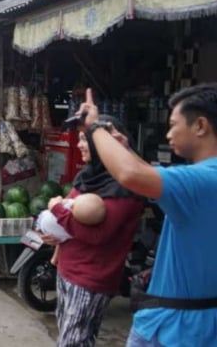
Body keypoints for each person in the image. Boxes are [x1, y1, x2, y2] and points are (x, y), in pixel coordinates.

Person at [75, 86, 217, 347]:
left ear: (200, 126)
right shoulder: (202, 179)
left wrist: (95, 128)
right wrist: (125, 149)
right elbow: (147, 174)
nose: (168, 133)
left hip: (175, 330)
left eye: (174, 125)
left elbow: (131, 174)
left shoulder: (203, 180)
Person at [39, 115, 143, 347]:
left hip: (91, 277)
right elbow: (68, 214)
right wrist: (53, 237)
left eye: (86, 139)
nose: (79, 145)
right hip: (68, 269)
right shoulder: (88, 176)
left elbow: (98, 235)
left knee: (74, 342)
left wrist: (56, 209)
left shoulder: (125, 188)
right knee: (70, 338)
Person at [37, 191, 106, 265]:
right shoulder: (84, 219)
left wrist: (57, 205)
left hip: (43, 220)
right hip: (47, 227)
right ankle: (55, 258)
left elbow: (56, 200)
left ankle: (55, 258)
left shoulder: (74, 206)